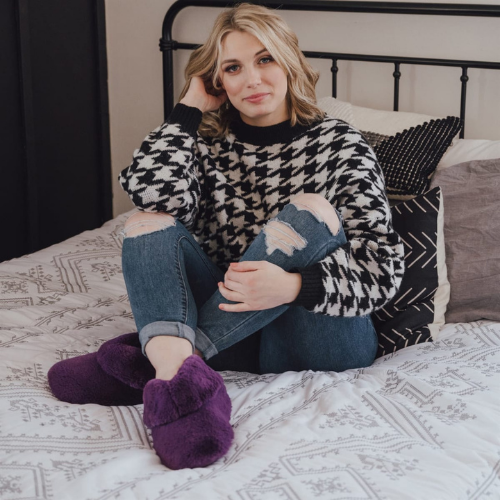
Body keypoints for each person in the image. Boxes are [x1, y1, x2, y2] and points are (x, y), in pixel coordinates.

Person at [48, 3, 405, 471]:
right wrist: (188, 110)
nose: (252, 80)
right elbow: (151, 193)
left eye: (265, 59)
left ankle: (154, 361)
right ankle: (180, 375)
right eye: (233, 68)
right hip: (234, 335)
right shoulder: (203, 141)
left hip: (319, 337)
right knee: (146, 220)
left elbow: (383, 269)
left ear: (288, 61)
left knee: (309, 210)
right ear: (217, 80)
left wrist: (294, 286)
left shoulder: (340, 144)